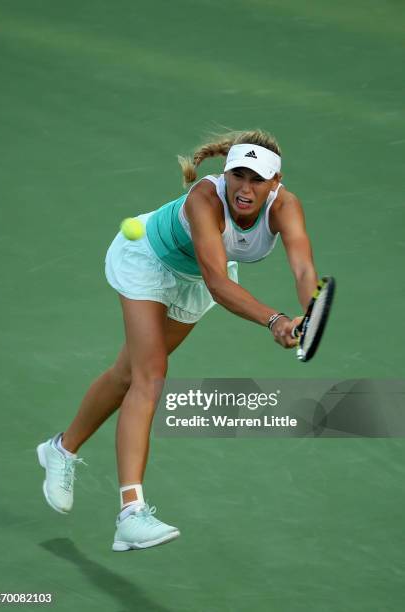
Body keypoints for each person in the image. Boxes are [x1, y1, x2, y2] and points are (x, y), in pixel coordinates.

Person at [37, 129, 318, 551]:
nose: (245, 187)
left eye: (257, 179)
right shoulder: (204, 199)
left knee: (128, 374)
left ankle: (61, 448)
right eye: (237, 175)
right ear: (225, 173)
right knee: (151, 376)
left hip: (193, 280)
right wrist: (275, 320)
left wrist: (309, 315)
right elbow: (220, 284)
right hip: (147, 261)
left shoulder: (287, 207)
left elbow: (302, 271)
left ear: (275, 183)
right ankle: (131, 514)